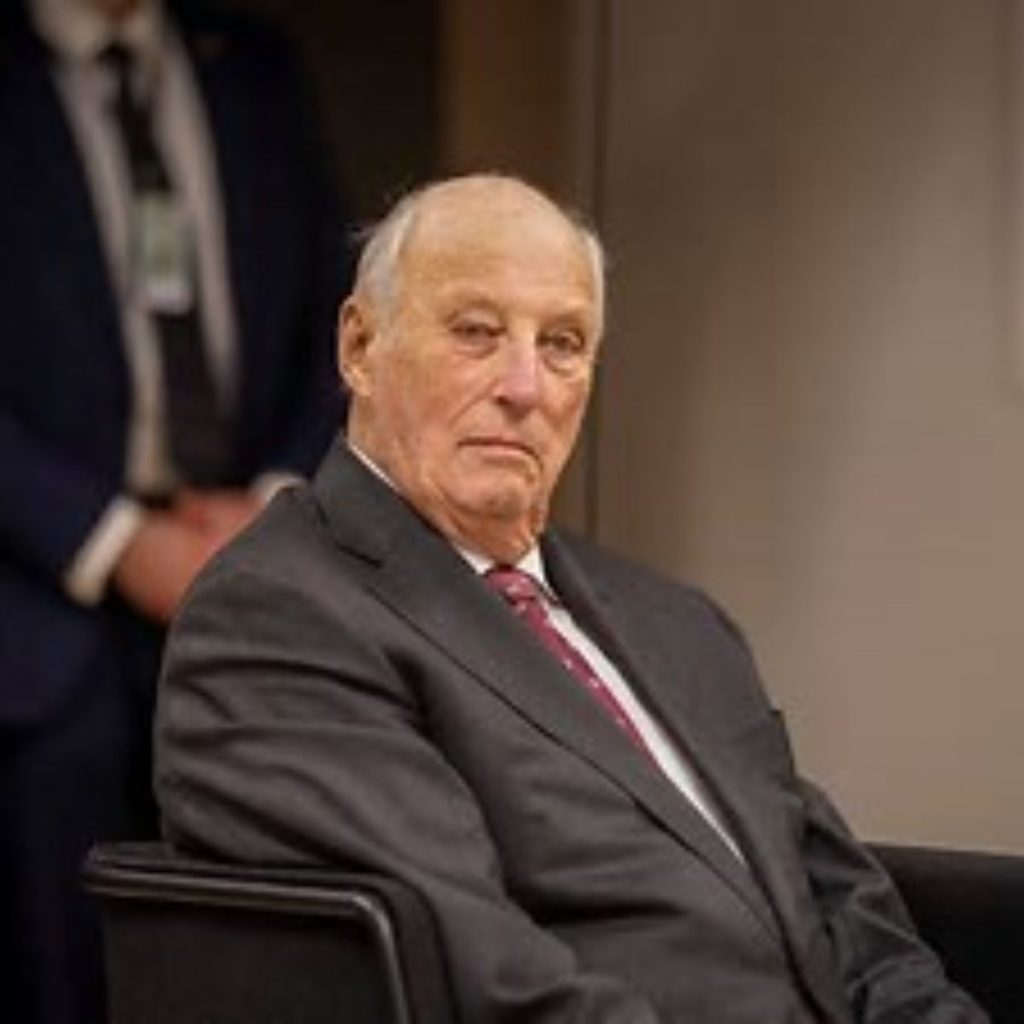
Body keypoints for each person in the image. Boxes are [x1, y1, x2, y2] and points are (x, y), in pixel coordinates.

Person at [155, 174, 987, 1023]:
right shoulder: (281, 614)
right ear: (361, 349)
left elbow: (850, 915)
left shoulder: (678, 621)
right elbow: (479, 976)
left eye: (561, 343)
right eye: (476, 332)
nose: (526, 386)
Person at [0, 0, 350, 1021]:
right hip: (38, 607)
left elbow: (344, 309)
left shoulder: (254, 61)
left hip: (248, 577)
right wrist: (115, 540)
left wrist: (276, 502)